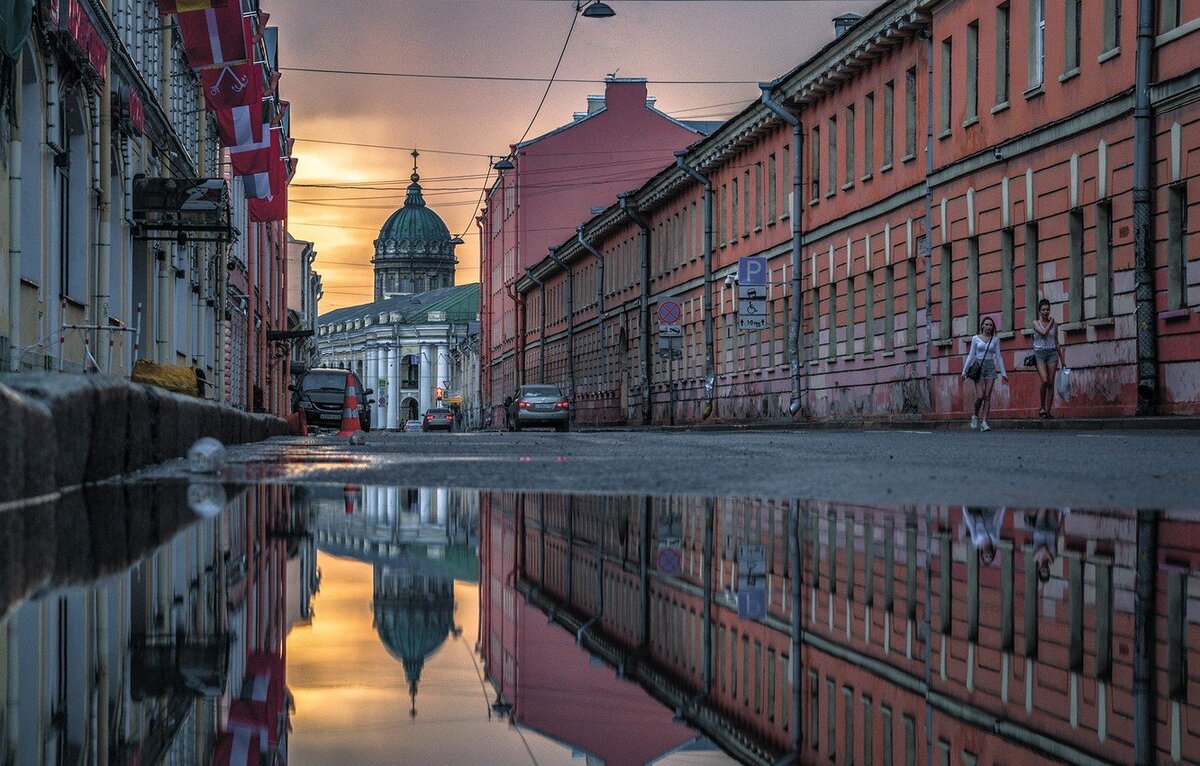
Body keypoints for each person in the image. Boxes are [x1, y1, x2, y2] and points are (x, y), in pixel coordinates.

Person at [961, 315, 1007, 431]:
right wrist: (964, 371)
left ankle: (985, 422)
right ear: (982, 325)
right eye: (986, 324)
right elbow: (971, 355)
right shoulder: (975, 338)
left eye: (991, 325)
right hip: (979, 367)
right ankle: (975, 415)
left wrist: (1003, 372)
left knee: (987, 396)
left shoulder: (995, 339)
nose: (988, 327)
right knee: (980, 396)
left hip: (990, 367)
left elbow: (999, 356)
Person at [1031, 298, 1065, 418]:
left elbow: (1056, 342)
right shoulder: (1036, 323)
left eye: (1048, 309)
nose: (1046, 312)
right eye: (1043, 310)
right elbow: (1044, 332)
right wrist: (1051, 322)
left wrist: (1062, 359)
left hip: (1051, 354)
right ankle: (1042, 407)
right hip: (1039, 354)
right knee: (1044, 380)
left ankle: (1048, 411)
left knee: (1051, 383)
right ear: (1040, 311)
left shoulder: (1054, 325)